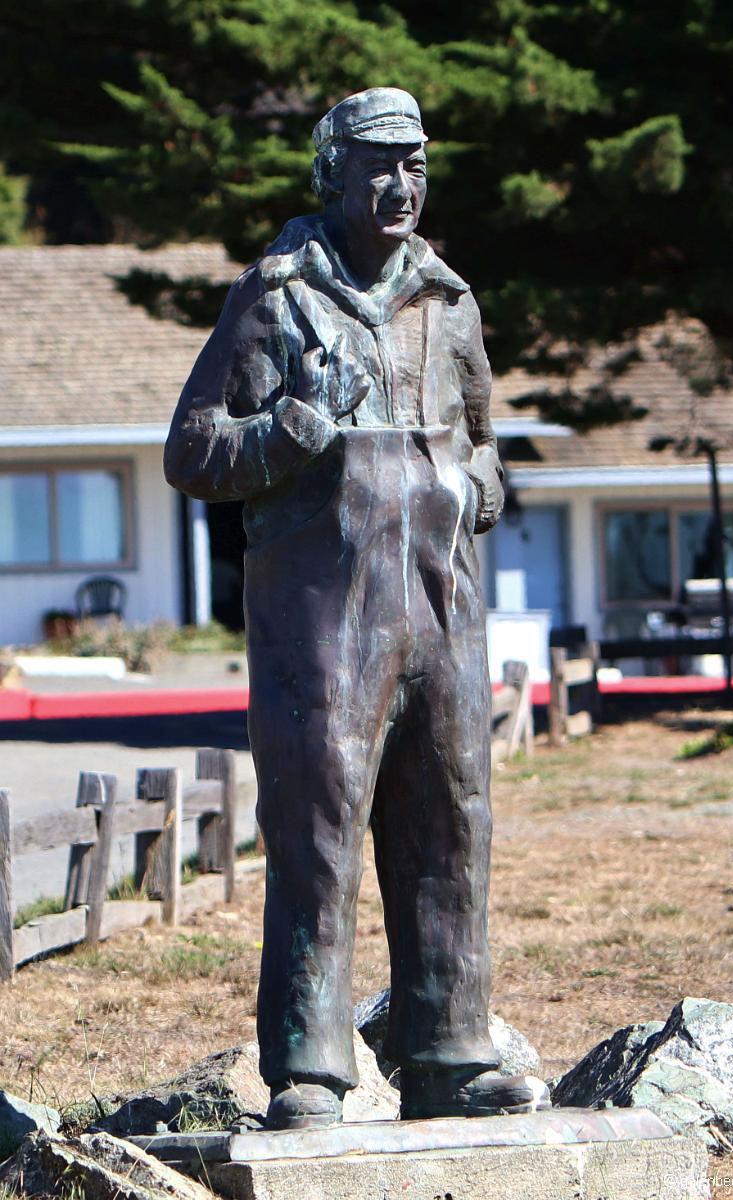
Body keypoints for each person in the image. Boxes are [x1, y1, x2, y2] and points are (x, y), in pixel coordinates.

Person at [164, 87, 536, 1129]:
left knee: (451, 822)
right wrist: (288, 428)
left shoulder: (448, 301)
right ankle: (311, 1066)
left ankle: (449, 1052)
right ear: (328, 176)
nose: (400, 184)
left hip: (441, 606)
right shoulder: (274, 301)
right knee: (320, 831)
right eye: (378, 164)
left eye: (414, 163)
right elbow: (192, 452)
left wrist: (484, 478)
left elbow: (476, 432)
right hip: (322, 621)